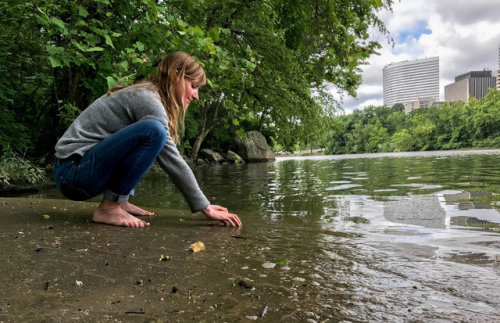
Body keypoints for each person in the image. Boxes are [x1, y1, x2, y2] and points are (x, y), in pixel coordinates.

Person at [53, 51, 241, 228]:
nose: (196, 96)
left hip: (74, 171)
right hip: (72, 172)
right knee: (155, 131)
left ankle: (120, 200)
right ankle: (109, 208)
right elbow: (171, 159)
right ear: (177, 75)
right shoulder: (149, 100)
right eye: (193, 86)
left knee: (152, 135)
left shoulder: (150, 95)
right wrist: (205, 206)